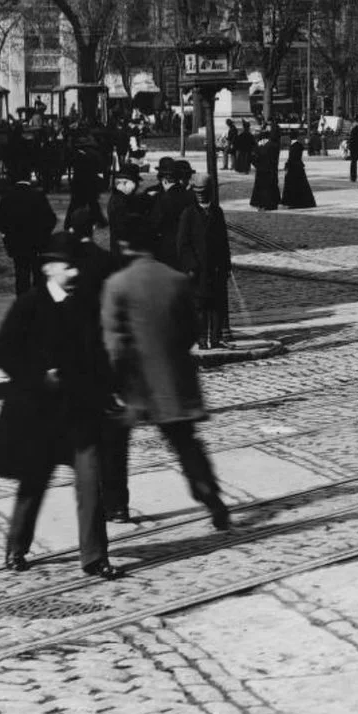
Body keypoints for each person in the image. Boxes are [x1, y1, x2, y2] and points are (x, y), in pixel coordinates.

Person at [0, 232, 124, 579]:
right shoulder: (28, 306)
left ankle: (94, 557)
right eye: (68, 267)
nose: (75, 274)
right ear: (50, 268)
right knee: (33, 485)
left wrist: (109, 391)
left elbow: (100, 355)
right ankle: (16, 547)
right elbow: (2, 354)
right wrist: (38, 374)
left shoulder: (86, 305)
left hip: (80, 414)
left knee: (90, 483)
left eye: (77, 267)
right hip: (40, 416)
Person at [99, 199, 234, 533]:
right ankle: (211, 498)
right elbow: (191, 328)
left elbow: (113, 342)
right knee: (186, 444)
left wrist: (113, 382)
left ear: (126, 246)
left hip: (135, 384)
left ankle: (116, 507)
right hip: (174, 379)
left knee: (115, 444)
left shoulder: (118, 285)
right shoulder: (174, 280)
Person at [181, 174, 233, 349]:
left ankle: (216, 338)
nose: (201, 195)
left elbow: (224, 241)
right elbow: (183, 243)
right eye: (197, 192)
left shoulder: (217, 212)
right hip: (199, 269)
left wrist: (227, 265)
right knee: (200, 305)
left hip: (216, 267)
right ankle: (202, 339)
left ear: (210, 191)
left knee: (217, 305)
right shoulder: (188, 214)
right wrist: (191, 266)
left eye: (203, 191)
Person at [0, 171, 57, 307]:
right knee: (38, 274)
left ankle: (22, 304)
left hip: (17, 243)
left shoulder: (7, 197)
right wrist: (44, 234)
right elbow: (51, 219)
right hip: (37, 243)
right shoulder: (38, 195)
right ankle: (38, 303)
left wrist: (8, 233)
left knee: (21, 274)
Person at [249, 125, 281, 211]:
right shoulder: (274, 145)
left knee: (261, 188)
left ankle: (261, 204)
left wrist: (257, 166)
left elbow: (252, 158)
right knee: (270, 187)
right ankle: (271, 204)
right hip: (271, 169)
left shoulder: (259, 147)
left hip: (261, 170)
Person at [280, 138, 317, 210]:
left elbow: (291, 158)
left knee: (293, 186)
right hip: (299, 167)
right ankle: (304, 201)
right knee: (302, 185)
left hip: (293, 168)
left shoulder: (293, 146)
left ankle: (293, 202)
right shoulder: (299, 145)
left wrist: (287, 165)